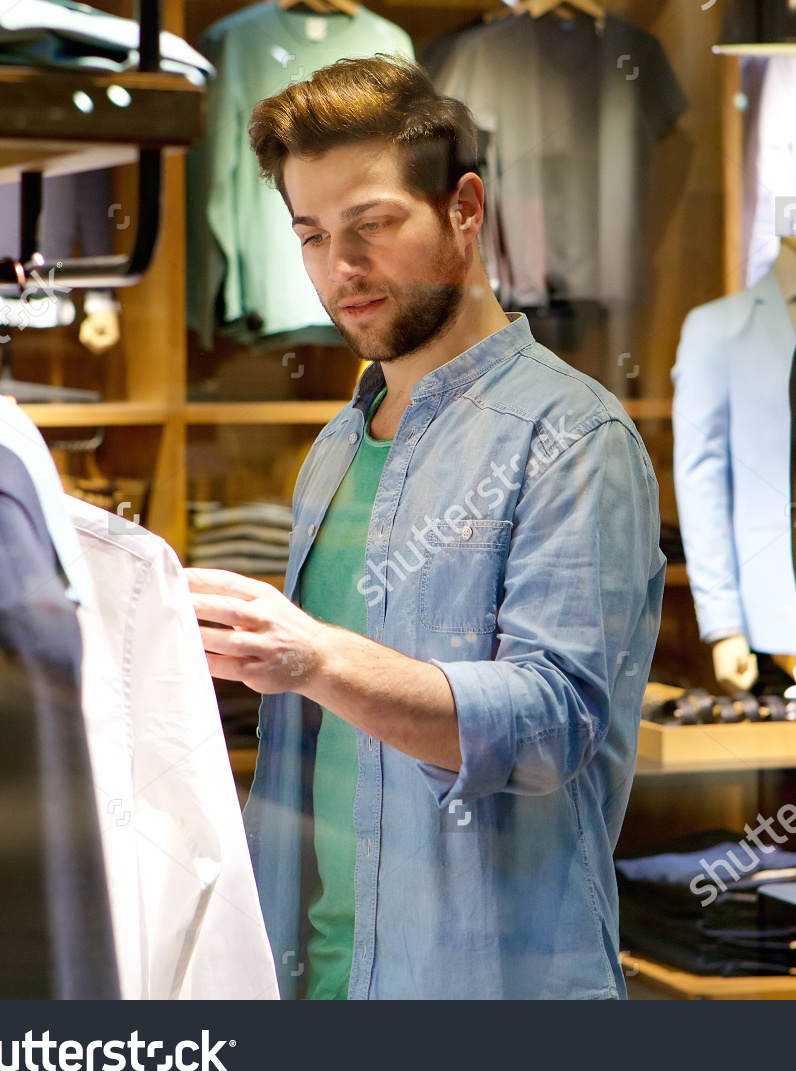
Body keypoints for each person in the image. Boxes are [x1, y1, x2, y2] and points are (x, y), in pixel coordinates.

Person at [186, 55, 664, 999]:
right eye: (313, 236)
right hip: (313, 979)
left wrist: (315, 658)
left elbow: (549, 724)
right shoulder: (334, 445)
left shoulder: (574, 439)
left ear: (465, 208)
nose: (341, 270)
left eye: (371, 226)